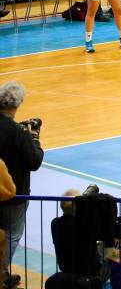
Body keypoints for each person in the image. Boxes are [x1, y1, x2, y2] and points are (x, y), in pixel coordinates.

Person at [0, 82, 43, 275]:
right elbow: (34, 161)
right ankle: (1, 272)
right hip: (13, 194)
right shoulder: (18, 132)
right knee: (12, 234)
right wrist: (34, 139)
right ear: (17, 105)